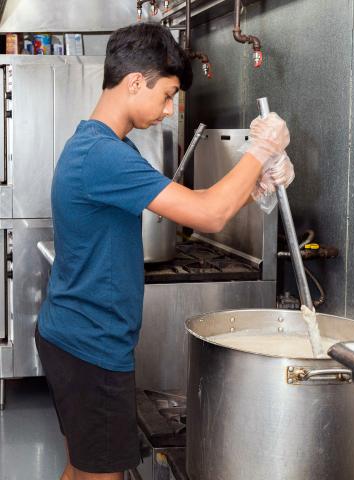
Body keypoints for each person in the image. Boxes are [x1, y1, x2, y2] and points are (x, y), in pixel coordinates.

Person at [35, 22, 294, 480]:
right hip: (90, 347)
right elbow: (208, 214)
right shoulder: (104, 155)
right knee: (100, 475)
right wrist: (259, 151)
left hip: (76, 337)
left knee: (81, 469)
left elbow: (196, 204)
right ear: (136, 82)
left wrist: (254, 182)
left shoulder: (105, 146)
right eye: (168, 95)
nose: (170, 109)